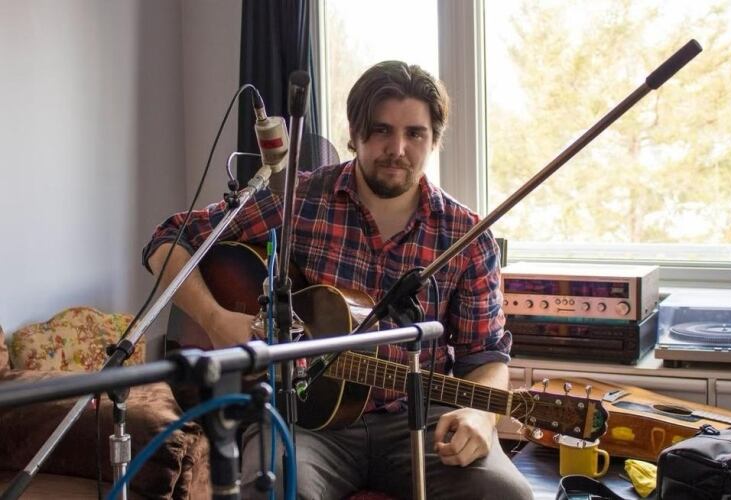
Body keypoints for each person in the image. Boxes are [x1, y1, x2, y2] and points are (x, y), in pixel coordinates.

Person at [143, 60, 533, 500]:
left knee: (507, 495)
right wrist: (215, 319)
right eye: (382, 130)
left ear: (434, 140)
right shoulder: (300, 198)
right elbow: (167, 240)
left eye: (415, 133)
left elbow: (487, 356)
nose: (397, 148)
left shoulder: (465, 236)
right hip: (303, 424)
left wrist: (481, 416)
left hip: (419, 423)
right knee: (272, 492)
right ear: (354, 131)